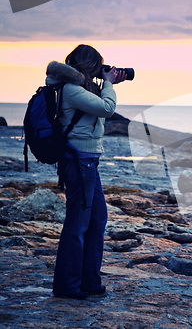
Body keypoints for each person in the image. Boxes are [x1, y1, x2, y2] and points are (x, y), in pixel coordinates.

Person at [47, 44, 126, 300]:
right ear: (88, 65)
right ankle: (68, 285)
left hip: (89, 161)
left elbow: (97, 110)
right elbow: (107, 109)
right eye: (97, 65)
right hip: (79, 160)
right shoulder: (71, 89)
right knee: (78, 223)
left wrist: (106, 84)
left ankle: (89, 280)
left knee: (97, 219)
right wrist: (110, 84)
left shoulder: (79, 88)